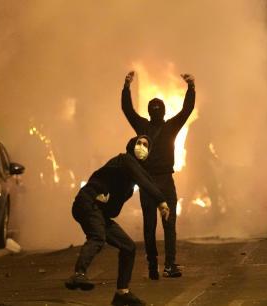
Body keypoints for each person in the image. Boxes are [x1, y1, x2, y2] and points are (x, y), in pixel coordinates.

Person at [65, 135, 170, 306]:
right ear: (131, 145)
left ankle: (122, 293)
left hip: (99, 211)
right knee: (97, 237)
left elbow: (145, 179)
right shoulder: (125, 160)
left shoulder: (131, 177)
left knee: (128, 247)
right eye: (139, 143)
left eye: (145, 145)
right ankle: (79, 274)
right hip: (88, 202)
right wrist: (161, 201)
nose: (142, 147)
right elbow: (143, 180)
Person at [121, 70, 195, 279]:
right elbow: (187, 109)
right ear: (162, 112)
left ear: (150, 112)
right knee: (169, 225)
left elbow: (127, 109)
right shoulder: (171, 126)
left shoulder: (142, 126)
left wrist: (126, 86)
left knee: (149, 226)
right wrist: (191, 87)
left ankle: (152, 267)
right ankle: (169, 265)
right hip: (165, 181)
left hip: (146, 182)